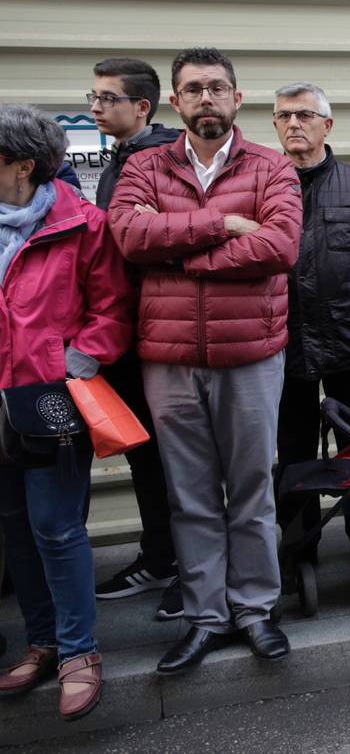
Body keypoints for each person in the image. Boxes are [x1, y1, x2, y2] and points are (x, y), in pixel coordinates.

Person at [108, 47, 302, 674]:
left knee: (250, 490)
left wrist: (179, 248)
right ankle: (205, 617)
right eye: (193, 89)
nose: (206, 99)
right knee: (189, 495)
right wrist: (222, 223)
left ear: (237, 99)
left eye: (218, 88)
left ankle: (254, 610)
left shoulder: (272, 166)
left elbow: (278, 245)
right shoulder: (143, 165)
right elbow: (129, 237)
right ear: (175, 100)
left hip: (250, 355)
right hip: (168, 357)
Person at [0, 105, 134, 721]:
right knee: (16, 529)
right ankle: (43, 644)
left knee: (56, 526)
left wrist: (77, 360)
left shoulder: (83, 223)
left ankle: (81, 653)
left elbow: (112, 309)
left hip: (47, 393)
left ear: (23, 166)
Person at [270, 82, 350, 574]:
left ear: (328, 124)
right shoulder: (264, 183)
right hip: (286, 341)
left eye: (304, 114)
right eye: (283, 116)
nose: (293, 124)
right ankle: (300, 547)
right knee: (295, 449)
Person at [85, 58, 185, 621]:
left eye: (106, 98)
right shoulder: (120, 158)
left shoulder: (161, 161)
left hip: (158, 329)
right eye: (93, 97)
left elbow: (155, 244)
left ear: (142, 106)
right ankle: (160, 555)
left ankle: (189, 568)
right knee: (145, 455)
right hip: (120, 330)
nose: (95, 108)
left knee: (179, 460)